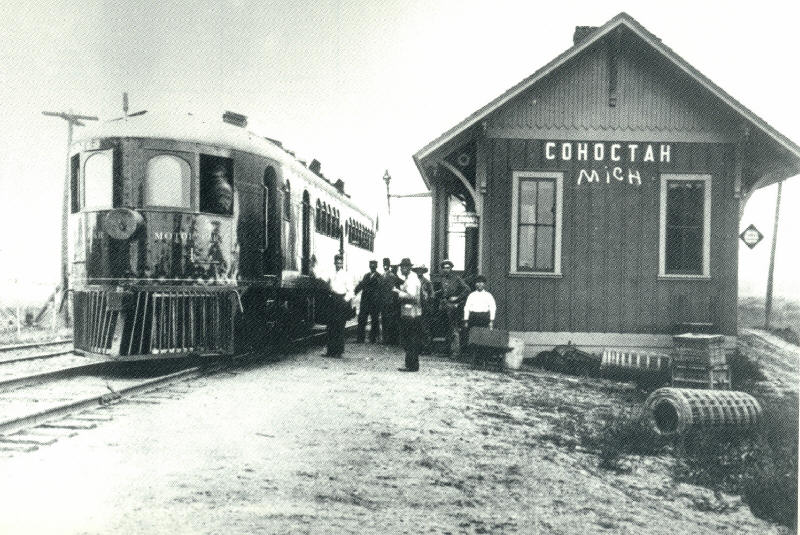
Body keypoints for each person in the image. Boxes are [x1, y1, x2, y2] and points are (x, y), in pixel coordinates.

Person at [436, 259, 470, 356]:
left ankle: (455, 352)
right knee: (445, 327)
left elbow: (467, 289)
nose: (446, 269)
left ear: (451, 268)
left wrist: (457, 298)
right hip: (444, 306)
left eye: (448, 267)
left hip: (453, 306)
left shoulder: (456, 278)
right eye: (444, 268)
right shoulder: (442, 279)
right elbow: (444, 291)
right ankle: (447, 351)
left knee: (453, 328)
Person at [395, 258, 423, 371]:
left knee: (410, 339)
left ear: (408, 268)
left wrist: (398, 292)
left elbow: (412, 296)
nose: (401, 269)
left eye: (403, 267)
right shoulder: (411, 278)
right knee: (411, 339)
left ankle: (411, 365)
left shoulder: (411, 280)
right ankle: (411, 364)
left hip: (411, 313)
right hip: (412, 313)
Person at [463, 275, 497, 367]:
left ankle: (483, 358)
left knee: (483, 338)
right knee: (473, 338)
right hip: (473, 318)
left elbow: (493, 308)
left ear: (484, 284)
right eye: (477, 283)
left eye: (481, 283)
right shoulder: (471, 295)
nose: (479, 285)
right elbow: (467, 308)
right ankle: (473, 359)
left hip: (484, 318)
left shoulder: (488, 295)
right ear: (475, 284)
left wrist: (491, 320)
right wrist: (466, 320)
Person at [324, 254, 354, 357]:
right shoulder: (331, 273)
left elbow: (351, 291)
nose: (339, 265)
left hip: (341, 301)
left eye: (340, 263)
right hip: (332, 300)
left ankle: (338, 351)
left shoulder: (346, 275)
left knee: (340, 327)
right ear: (334, 263)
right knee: (331, 326)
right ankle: (330, 351)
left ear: (342, 263)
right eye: (337, 263)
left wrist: (344, 301)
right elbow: (324, 281)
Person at [355, 260, 382, 343]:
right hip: (365, 302)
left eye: (374, 265)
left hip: (374, 303)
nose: (372, 267)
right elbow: (361, 285)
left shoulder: (379, 276)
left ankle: (373, 339)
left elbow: (381, 289)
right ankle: (360, 338)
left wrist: (379, 302)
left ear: (376, 266)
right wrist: (354, 292)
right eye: (371, 265)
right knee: (362, 319)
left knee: (374, 320)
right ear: (369, 266)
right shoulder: (366, 275)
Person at [412, 264, 434, 354]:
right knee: (417, 328)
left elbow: (432, 295)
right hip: (415, 307)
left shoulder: (427, 282)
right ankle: (418, 348)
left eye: (421, 270)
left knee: (425, 328)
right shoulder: (414, 282)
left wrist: (428, 303)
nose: (419, 272)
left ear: (423, 271)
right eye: (417, 270)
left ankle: (427, 348)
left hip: (425, 308)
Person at [380, 257, 401, 345]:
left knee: (390, 320)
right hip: (384, 301)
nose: (385, 266)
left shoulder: (392, 276)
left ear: (389, 265)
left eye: (386, 265)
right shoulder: (382, 276)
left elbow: (393, 289)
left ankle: (389, 339)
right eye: (384, 265)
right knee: (384, 319)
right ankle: (385, 339)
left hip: (390, 302)